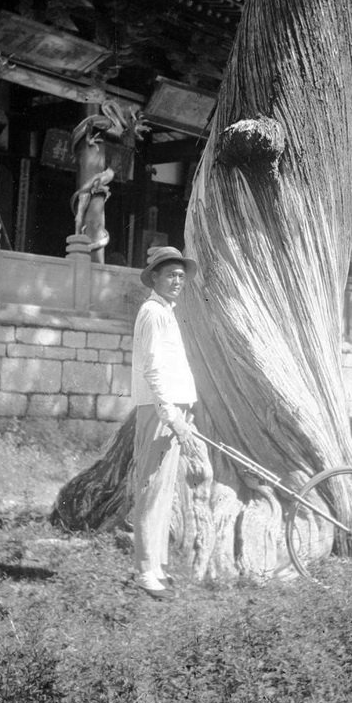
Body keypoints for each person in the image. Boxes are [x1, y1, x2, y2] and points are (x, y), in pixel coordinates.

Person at [131, 245, 209, 600]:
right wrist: (171, 416)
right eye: (170, 275)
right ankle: (146, 571)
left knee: (164, 491)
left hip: (174, 410)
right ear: (156, 278)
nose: (177, 281)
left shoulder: (166, 311)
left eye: (181, 276)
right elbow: (152, 368)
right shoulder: (151, 312)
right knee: (151, 488)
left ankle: (157, 565)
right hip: (160, 411)